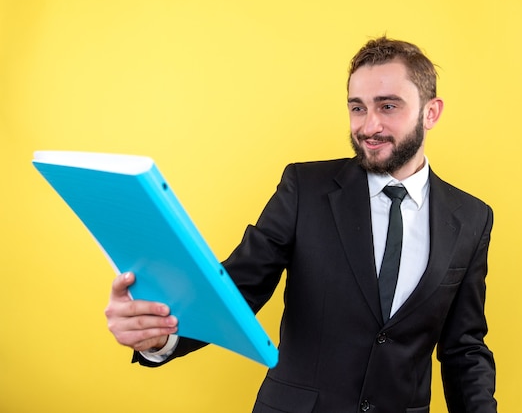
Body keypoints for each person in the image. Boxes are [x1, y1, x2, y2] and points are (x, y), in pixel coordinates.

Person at [105, 36, 497, 412]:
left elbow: (464, 347)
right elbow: (239, 287)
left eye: (388, 106)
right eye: (357, 107)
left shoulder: (471, 218)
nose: (368, 126)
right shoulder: (304, 189)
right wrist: (163, 336)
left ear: (431, 112)